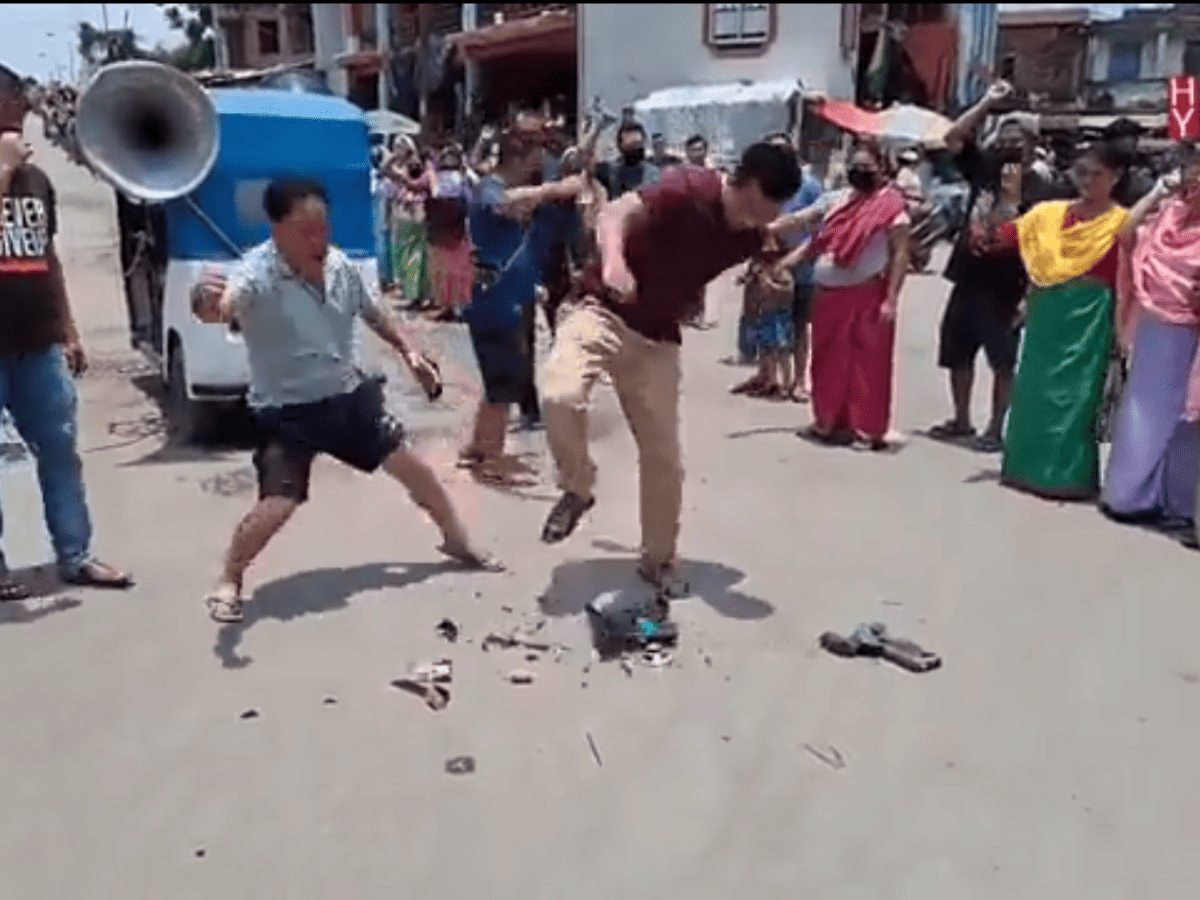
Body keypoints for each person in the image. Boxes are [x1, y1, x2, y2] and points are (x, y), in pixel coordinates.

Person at [190, 178, 500, 623]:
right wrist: (208, 303)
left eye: (324, 228)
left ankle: (456, 540)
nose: (318, 241)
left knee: (416, 471)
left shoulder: (339, 266)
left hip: (346, 398)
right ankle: (229, 577)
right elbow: (224, 305)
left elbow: (373, 313)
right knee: (278, 504)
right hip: (286, 412)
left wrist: (409, 352)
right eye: (306, 231)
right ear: (277, 231)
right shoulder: (256, 274)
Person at [538, 143, 800, 596]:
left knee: (664, 458)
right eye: (767, 203)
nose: (768, 215)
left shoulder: (748, 236)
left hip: (657, 340)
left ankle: (658, 560)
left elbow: (769, 242)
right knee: (560, 395)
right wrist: (615, 263)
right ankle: (578, 487)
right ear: (748, 184)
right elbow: (614, 213)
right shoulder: (689, 187)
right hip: (601, 311)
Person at [0, 64, 133, 601]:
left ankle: (76, 555)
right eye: (13, 107)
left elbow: (48, 258)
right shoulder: (12, 171)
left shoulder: (38, 180)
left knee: (59, 449)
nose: (22, 119)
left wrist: (70, 330)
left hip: (38, 342)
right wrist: (2, 171)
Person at [929, 80, 1066, 453]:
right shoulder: (988, 169)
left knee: (1002, 359)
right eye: (1005, 134)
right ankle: (961, 419)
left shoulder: (1040, 185)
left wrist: (1030, 294)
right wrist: (987, 102)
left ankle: (994, 429)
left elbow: (1046, 244)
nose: (1010, 142)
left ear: (1032, 144)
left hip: (1008, 285)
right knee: (957, 352)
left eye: (1018, 137)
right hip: (968, 277)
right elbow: (953, 138)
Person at [990, 144, 1128, 501]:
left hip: (1090, 316)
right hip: (1046, 313)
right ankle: (1025, 470)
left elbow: (1131, 279)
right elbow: (1002, 237)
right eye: (1082, 173)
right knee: (1034, 392)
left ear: (1115, 178)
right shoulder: (1047, 214)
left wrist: (1124, 331)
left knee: (1077, 396)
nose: (1088, 181)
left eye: (1097, 174)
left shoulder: (1123, 223)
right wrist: (1008, 198)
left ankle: (1067, 478)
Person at [772, 141, 911, 450]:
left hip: (867, 294)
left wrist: (891, 299)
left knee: (867, 365)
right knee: (827, 361)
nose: (859, 171)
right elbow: (811, 234)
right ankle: (828, 422)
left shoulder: (892, 207)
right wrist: (778, 251)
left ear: (882, 169)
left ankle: (867, 430)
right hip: (828, 295)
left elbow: (901, 255)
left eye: (866, 166)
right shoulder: (838, 201)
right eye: (854, 166)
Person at [1101, 153, 1200, 526]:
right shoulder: (1170, 214)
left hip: (1192, 331)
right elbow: (1126, 232)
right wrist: (1158, 191)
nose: (1194, 180)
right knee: (1146, 412)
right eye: (1191, 172)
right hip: (1156, 326)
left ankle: (1177, 502)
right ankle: (1130, 496)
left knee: (1186, 418)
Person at [457, 111, 549, 478]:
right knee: (504, 384)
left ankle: (478, 446)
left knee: (496, 380)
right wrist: (550, 192)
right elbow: (506, 206)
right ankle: (492, 460)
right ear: (518, 160)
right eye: (533, 161)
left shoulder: (493, 187)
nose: (535, 169)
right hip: (495, 303)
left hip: (500, 298)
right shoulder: (491, 189)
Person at [765, 132, 822, 401]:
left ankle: (799, 381)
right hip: (772, 264)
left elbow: (820, 229)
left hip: (804, 265)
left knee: (800, 327)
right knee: (772, 323)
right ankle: (774, 377)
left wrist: (796, 257)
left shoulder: (810, 185)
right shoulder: (765, 186)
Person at [730, 235, 795, 399]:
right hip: (762, 314)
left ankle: (786, 384)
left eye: (768, 256)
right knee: (766, 350)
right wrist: (746, 278)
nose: (764, 260)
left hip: (778, 316)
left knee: (781, 352)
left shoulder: (781, 271)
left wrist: (770, 283)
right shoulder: (757, 269)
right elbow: (750, 284)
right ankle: (770, 382)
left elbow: (788, 291)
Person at [381, 136, 430, 310]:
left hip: (413, 215)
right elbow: (386, 169)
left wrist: (400, 157)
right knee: (411, 256)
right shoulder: (405, 168)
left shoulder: (415, 170)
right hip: (407, 216)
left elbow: (389, 170)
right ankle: (416, 294)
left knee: (414, 256)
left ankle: (416, 294)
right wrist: (396, 156)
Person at [597, 121, 661, 199]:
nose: (634, 149)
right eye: (629, 145)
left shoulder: (653, 174)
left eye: (636, 144)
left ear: (643, 143)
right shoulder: (609, 171)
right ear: (620, 146)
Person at [1104, 117, 1156, 209]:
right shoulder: (1102, 165)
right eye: (1132, 137)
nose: (1134, 141)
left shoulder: (1141, 160)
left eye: (1135, 137)